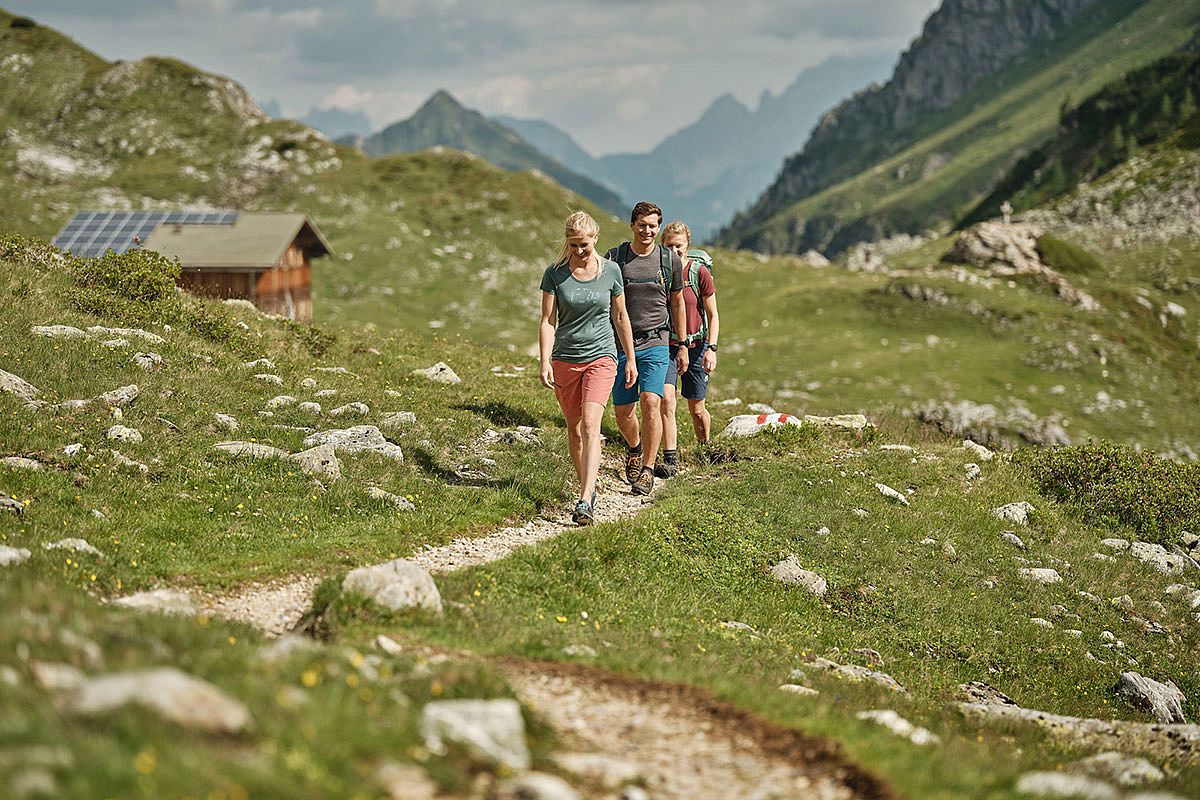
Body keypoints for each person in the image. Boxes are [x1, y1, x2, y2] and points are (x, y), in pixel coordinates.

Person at [539, 211, 637, 525]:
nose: (579, 250)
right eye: (573, 244)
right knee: (575, 428)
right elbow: (547, 321)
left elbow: (621, 318)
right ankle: (588, 488)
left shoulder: (611, 272)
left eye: (583, 244)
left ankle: (584, 500)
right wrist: (544, 360)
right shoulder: (555, 273)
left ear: (595, 238)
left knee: (592, 425)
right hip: (565, 358)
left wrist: (630, 358)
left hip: (602, 357)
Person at [604, 202, 687, 496]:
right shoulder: (615, 259)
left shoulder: (669, 261)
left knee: (652, 401)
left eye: (653, 226)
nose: (648, 231)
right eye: (642, 225)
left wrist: (683, 343)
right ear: (632, 226)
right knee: (623, 411)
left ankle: (648, 470)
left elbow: (677, 302)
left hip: (657, 342)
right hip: (621, 345)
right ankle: (635, 448)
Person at [656, 221, 719, 476]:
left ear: (687, 246)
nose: (674, 250)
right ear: (663, 245)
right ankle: (670, 460)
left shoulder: (698, 272)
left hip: (697, 344)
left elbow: (713, 315)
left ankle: (705, 446)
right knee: (666, 401)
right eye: (669, 245)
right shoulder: (659, 273)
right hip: (667, 345)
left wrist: (711, 349)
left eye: (678, 245)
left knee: (697, 409)